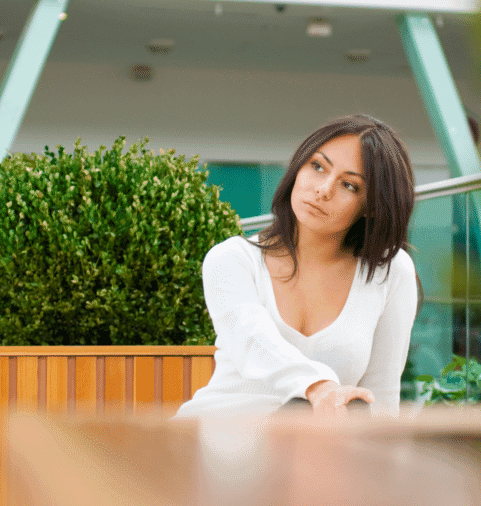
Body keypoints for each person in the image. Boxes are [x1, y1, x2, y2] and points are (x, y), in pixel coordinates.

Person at [175, 114, 420, 420]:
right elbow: (253, 342)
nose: (324, 189)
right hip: (217, 436)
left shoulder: (390, 271)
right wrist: (319, 388)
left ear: (371, 205)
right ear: (298, 167)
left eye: (350, 185)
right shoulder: (231, 259)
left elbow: (380, 399)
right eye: (318, 167)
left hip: (310, 454)